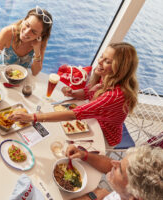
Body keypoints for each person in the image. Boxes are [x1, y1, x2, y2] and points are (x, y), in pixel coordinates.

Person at [9, 42, 139, 146]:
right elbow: (88, 92)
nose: (99, 62)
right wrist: (74, 93)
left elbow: (74, 114)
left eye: (108, 61)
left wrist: (33, 117)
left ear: (120, 68)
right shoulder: (105, 75)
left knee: (60, 141)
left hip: (104, 135)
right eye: (102, 57)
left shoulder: (114, 96)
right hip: (93, 119)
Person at [65, 145, 163, 200]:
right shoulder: (131, 193)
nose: (113, 162)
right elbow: (110, 166)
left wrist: (91, 197)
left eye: (119, 170)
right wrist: (84, 155)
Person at [0, 6, 53, 76]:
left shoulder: (41, 42)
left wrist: (36, 50)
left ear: (41, 35)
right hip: (2, 75)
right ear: (24, 20)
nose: (26, 32)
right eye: (27, 25)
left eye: (33, 32)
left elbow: (35, 72)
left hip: (22, 77)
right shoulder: (7, 33)